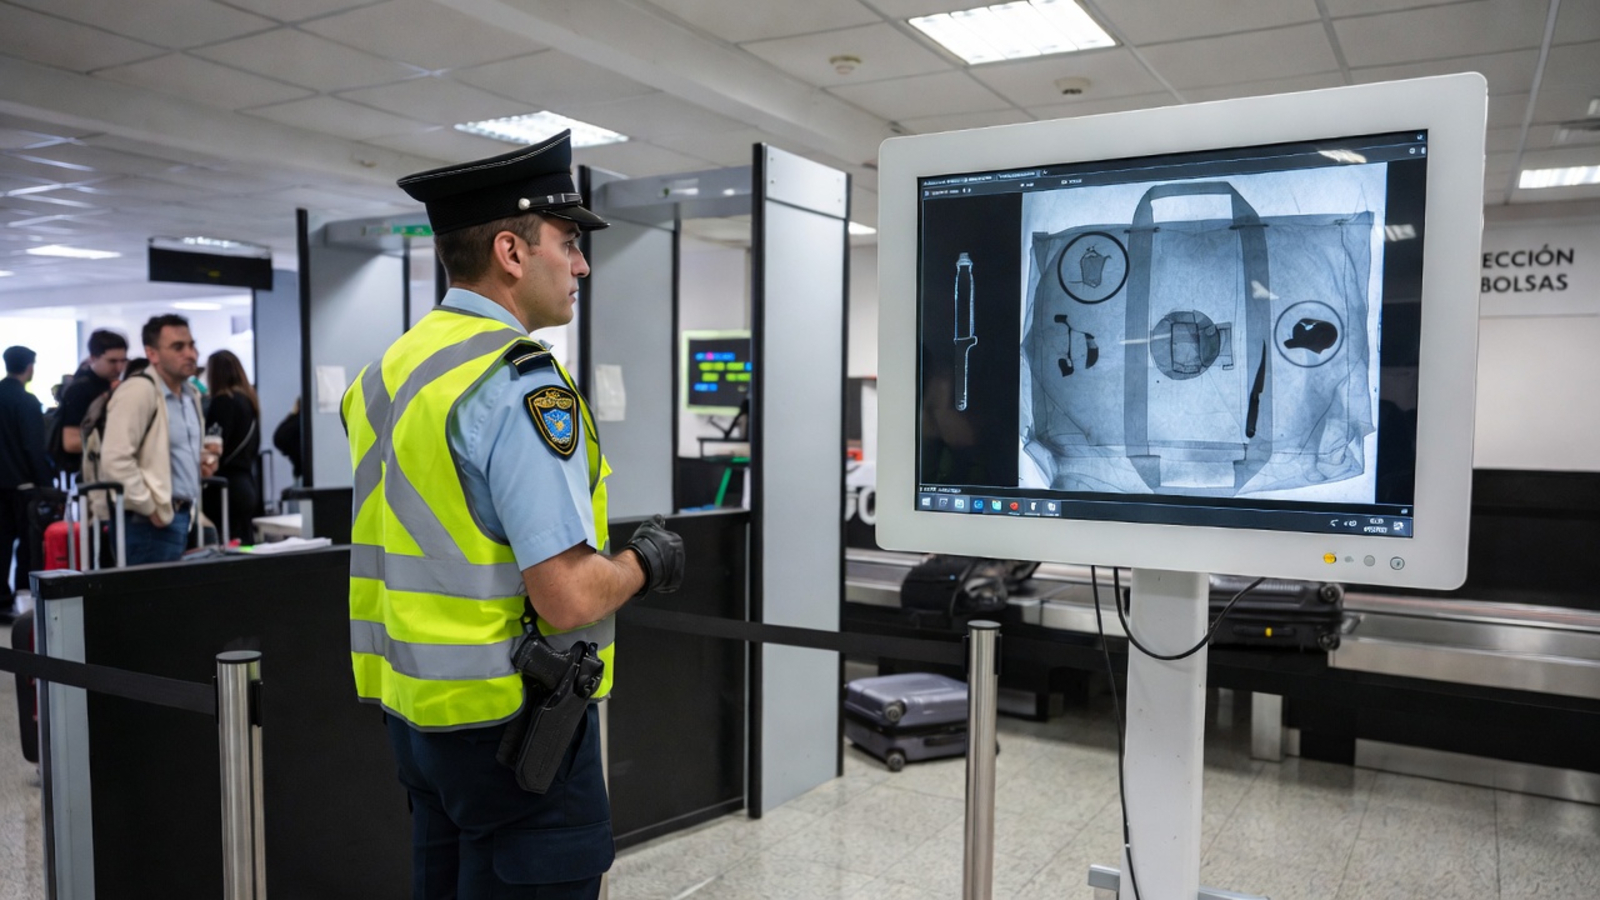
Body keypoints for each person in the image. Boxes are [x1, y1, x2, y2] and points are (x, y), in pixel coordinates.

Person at [344, 130, 686, 900]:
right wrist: (645, 562)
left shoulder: (387, 374)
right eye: (568, 243)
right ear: (510, 251)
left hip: (419, 721)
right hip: (515, 730)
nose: (581, 265)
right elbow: (566, 595)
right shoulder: (521, 386)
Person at [100, 316, 215, 564]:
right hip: (148, 524)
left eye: (191, 345)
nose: (190, 354)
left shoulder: (190, 395)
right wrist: (150, 507)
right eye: (178, 347)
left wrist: (202, 462)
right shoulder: (138, 391)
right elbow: (115, 459)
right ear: (152, 353)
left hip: (183, 514)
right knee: (151, 590)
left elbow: (171, 449)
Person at [0, 347, 55, 611]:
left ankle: (1, 598)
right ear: (30, 367)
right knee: (27, 544)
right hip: (23, 486)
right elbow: (34, 447)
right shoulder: (27, 401)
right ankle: (23, 598)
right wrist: (47, 485)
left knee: (1, 543)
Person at [51, 329, 129, 476]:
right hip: (88, 474)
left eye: (123, 361)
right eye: (112, 361)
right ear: (93, 358)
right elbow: (71, 443)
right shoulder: (80, 390)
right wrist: (121, 445)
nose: (119, 368)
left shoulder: (116, 385)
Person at [202, 350, 261, 543]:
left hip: (224, 489)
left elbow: (212, 448)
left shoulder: (222, 401)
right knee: (244, 546)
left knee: (225, 546)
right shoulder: (250, 401)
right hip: (247, 484)